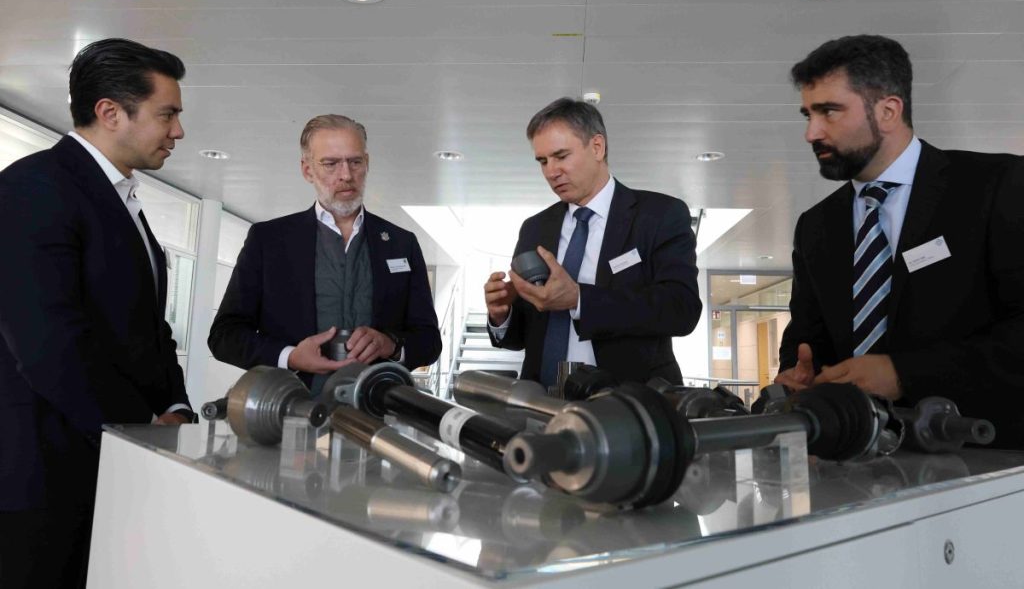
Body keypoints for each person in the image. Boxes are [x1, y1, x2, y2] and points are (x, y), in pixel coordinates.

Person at [0, 38, 193, 587]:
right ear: (110, 112)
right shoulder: (33, 188)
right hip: (42, 477)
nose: (178, 131)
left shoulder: (121, 198)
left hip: (107, 466)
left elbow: (149, 327)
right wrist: (141, 427)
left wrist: (175, 407)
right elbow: (47, 344)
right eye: (167, 114)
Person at [775, 34, 1024, 447]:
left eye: (829, 111)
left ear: (888, 111)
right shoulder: (816, 226)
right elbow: (806, 337)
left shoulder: (997, 187)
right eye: (807, 115)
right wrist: (799, 377)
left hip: (987, 454)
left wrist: (904, 374)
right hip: (855, 458)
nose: (811, 133)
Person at [208, 114, 441, 391]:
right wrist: (290, 356)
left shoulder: (402, 244)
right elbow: (225, 336)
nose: (346, 175)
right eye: (331, 164)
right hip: (291, 405)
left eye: (355, 162)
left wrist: (391, 345)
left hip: (375, 408)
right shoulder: (268, 241)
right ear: (307, 170)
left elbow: (429, 342)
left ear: (367, 163)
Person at [484, 98, 702, 388]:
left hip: (627, 400)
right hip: (541, 402)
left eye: (561, 156)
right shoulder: (535, 228)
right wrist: (502, 315)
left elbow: (682, 309)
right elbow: (525, 335)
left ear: (597, 147)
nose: (551, 172)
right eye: (543, 161)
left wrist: (579, 299)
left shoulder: (660, 215)